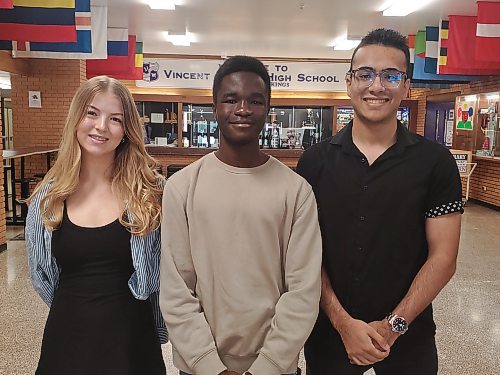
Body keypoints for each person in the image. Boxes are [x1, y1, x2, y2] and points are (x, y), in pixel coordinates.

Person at [297, 29, 463, 375]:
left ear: (406, 87)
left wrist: (392, 327)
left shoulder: (434, 163)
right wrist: (344, 324)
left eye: (391, 75)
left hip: (409, 334)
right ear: (349, 82)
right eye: (366, 74)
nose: (377, 86)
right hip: (329, 333)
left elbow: (444, 258)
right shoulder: (314, 162)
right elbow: (304, 255)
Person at [159, 55, 322, 375]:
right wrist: (210, 366)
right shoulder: (181, 188)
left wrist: (267, 366)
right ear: (214, 106)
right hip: (200, 367)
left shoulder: (296, 191)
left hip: (275, 367)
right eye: (231, 99)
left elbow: (303, 290)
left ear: (268, 108)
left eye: (255, 100)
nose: (243, 109)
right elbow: (176, 288)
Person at [26, 76, 167, 375]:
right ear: (76, 118)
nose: (101, 126)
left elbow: (165, 271)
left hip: (132, 340)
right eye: (92, 113)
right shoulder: (48, 198)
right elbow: (42, 274)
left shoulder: (151, 193)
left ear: (126, 130)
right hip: (68, 339)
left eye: (115, 118)